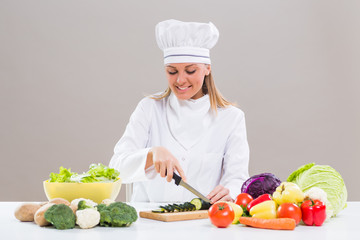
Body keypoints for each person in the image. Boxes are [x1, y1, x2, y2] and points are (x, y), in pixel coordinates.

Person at [109, 19, 249, 203]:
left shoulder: (231, 118)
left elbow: (237, 178)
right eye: (172, 71)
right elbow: (116, 169)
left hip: (203, 222)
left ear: (207, 68)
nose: (180, 80)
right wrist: (152, 154)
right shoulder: (149, 108)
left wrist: (230, 191)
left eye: (190, 71)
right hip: (149, 222)